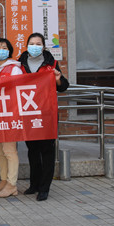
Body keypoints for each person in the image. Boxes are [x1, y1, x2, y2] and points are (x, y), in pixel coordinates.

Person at [19, 32, 69, 201]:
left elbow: (63, 87)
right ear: (27, 46)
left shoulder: (51, 63)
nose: (35, 46)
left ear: (43, 46)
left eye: (38, 44)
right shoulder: (20, 64)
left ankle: (44, 187)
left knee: (47, 151)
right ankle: (34, 184)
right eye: (32, 43)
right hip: (28, 112)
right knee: (32, 150)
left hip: (47, 114)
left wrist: (58, 78)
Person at [0, 38, 23, 198]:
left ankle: (12, 184)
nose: (1, 50)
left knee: (9, 150)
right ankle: (4, 180)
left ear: (9, 51)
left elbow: (18, 91)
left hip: (9, 114)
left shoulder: (14, 69)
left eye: (4, 47)